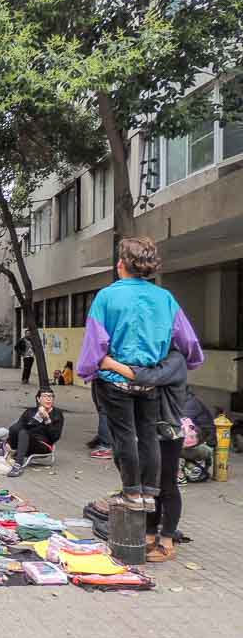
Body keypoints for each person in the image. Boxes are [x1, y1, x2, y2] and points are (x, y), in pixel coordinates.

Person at [76, 237, 203, 510]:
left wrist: (88, 370)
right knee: (147, 435)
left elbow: (95, 342)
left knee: (124, 436)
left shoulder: (107, 296)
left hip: (114, 380)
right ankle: (148, 493)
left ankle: (131, 492)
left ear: (121, 264)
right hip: (149, 381)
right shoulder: (165, 298)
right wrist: (190, 363)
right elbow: (188, 341)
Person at [100, 350, 187, 562]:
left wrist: (111, 364)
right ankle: (149, 534)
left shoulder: (175, 359)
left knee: (166, 486)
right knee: (150, 488)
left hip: (168, 433)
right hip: (148, 435)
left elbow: (149, 377)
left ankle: (167, 541)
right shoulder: (153, 355)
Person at [2, 388, 64, 477]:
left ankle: (18, 465)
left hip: (43, 445)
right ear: (38, 399)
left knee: (24, 433)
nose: (48, 399)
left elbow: (55, 437)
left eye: (51, 396)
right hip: (23, 442)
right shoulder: (30, 412)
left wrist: (47, 420)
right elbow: (17, 428)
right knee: (16, 427)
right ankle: (7, 445)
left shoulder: (57, 414)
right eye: (45, 396)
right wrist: (38, 417)